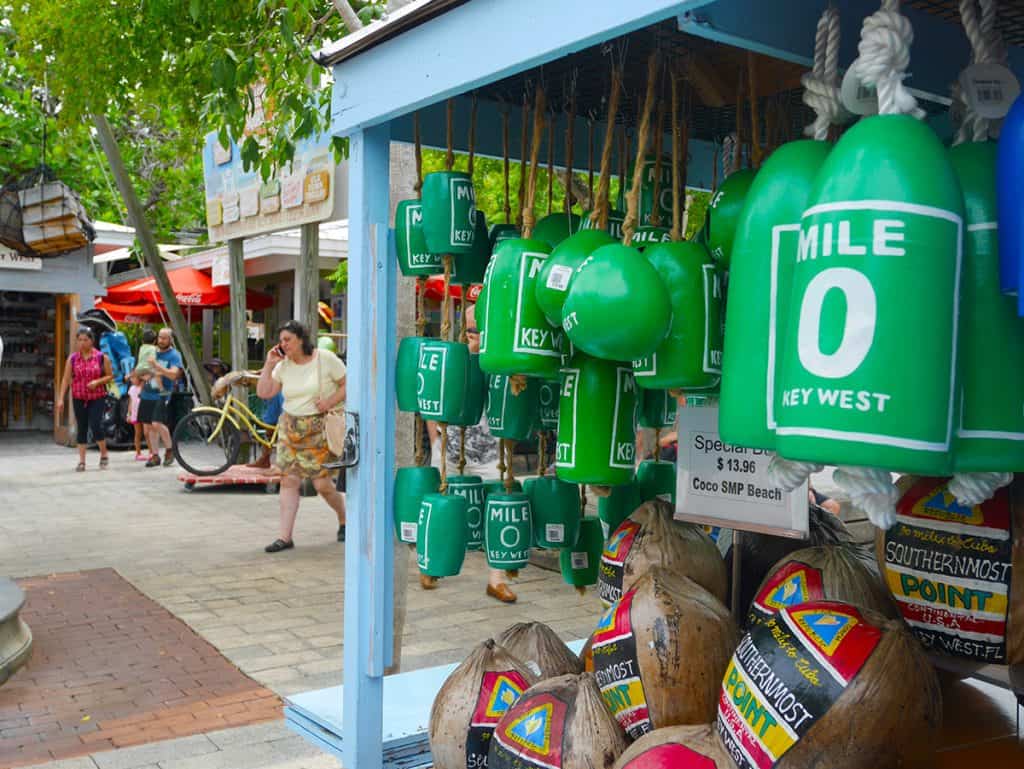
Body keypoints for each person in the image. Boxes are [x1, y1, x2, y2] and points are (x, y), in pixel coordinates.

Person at [428, 302, 518, 604]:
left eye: (479, 328)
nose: (474, 334)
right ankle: (432, 562)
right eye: (470, 328)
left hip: (490, 454)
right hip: (450, 450)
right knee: (443, 507)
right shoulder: (456, 359)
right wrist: (435, 439)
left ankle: (496, 579)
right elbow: (434, 397)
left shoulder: (501, 361)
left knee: (497, 509)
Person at [257, 320, 347, 553]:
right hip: (290, 427)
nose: (283, 344)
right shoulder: (283, 365)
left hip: (317, 428)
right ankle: (285, 537)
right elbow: (265, 392)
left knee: (322, 485)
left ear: (301, 339)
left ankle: (343, 517)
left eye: (288, 339)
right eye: (281, 340)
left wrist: (329, 402)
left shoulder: (324, 359)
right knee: (289, 480)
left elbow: (348, 383)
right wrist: (269, 365)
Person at [56, 327, 114, 471]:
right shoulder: (73, 358)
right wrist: (61, 398)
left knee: (96, 425)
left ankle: (104, 454)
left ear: (92, 341)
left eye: (85, 340)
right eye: (79, 340)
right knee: (82, 427)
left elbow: (110, 376)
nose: (82, 343)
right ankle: (82, 461)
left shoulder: (101, 357)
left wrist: (97, 382)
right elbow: (65, 379)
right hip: (79, 397)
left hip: (97, 397)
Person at [138, 327, 183, 468]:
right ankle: (155, 455)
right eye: (160, 337)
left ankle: (170, 450)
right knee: (150, 426)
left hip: (163, 392)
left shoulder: (174, 355)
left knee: (157, 422)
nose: (161, 340)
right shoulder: (151, 351)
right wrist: (143, 375)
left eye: (164, 338)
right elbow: (141, 367)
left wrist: (158, 367)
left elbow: (174, 375)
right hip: (147, 391)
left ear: (170, 340)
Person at [127, 372, 146, 460]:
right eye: (131, 378)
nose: (132, 380)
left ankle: (151, 453)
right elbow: (130, 402)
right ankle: (138, 453)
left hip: (144, 413)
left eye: (133, 378)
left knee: (147, 433)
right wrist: (129, 414)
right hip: (135, 414)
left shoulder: (144, 387)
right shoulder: (131, 389)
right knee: (138, 433)